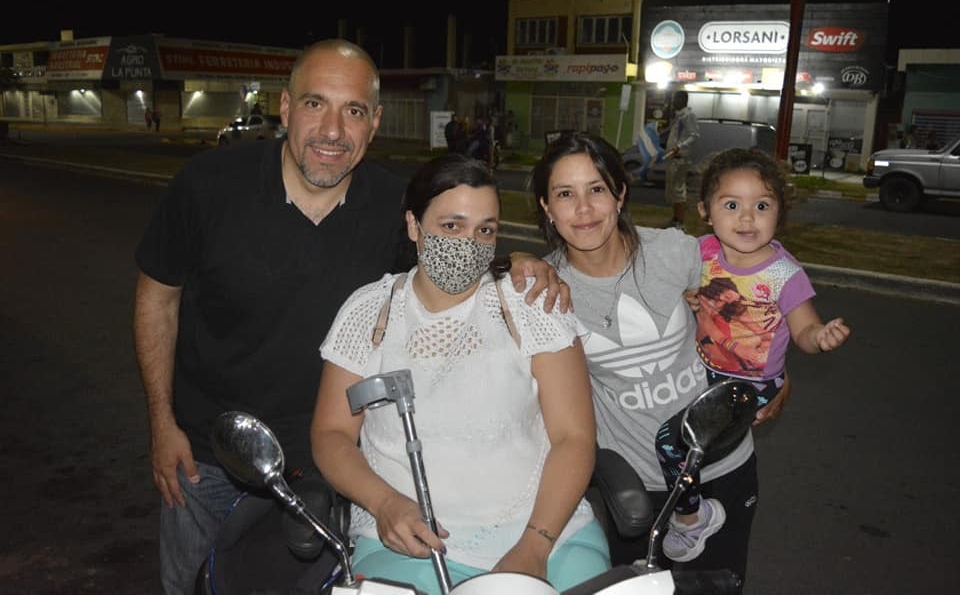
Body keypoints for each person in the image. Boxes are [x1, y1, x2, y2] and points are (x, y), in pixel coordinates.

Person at [132, 39, 567, 594]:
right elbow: (157, 299)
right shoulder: (208, 185)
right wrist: (161, 422)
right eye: (315, 104)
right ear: (285, 107)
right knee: (194, 585)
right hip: (209, 456)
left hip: (333, 465)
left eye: (354, 111)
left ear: (374, 122)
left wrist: (517, 261)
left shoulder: (393, 206)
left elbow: (453, 263)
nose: (333, 130)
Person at [311, 154, 611, 595]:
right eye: (452, 226)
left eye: (485, 230)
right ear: (414, 225)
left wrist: (535, 544)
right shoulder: (369, 313)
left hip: (548, 534)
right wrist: (383, 503)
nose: (469, 243)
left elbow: (574, 437)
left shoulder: (533, 306)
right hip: (405, 541)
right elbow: (331, 432)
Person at [530, 131, 788, 588]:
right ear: (547, 207)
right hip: (637, 485)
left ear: (620, 194)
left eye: (597, 189)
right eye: (565, 194)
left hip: (723, 466)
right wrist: (516, 258)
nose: (584, 209)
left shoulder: (676, 252)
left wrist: (779, 376)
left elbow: (757, 301)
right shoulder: (545, 290)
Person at [652, 147, 853, 564]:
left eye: (762, 206)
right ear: (705, 211)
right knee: (679, 436)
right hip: (704, 369)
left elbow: (804, 330)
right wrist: (687, 296)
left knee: (672, 444)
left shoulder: (784, 274)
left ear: (779, 213)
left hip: (752, 385)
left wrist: (821, 337)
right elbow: (677, 287)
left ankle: (692, 520)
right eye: (731, 205)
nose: (747, 218)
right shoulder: (702, 252)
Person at [663, 90, 700, 229]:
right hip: (672, 158)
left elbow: (694, 135)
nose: (673, 103)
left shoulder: (689, 116)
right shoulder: (678, 117)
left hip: (680, 158)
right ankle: (676, 218)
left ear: (683, 101)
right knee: (672, 190)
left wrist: (679, 146)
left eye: (675, 100)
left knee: (678, 190)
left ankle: (680, 222)